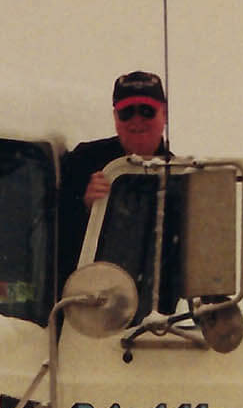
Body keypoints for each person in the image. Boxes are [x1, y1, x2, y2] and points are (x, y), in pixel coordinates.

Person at [59, 69, 171, 270]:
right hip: (83, 295)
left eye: (147, 110)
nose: (137, 120)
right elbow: (51, 239)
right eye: (126, 112)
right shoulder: (82, 162)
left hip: (152, 299)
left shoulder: (181, 176)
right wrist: (83, 206)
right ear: (115, 117)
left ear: (165, 114)